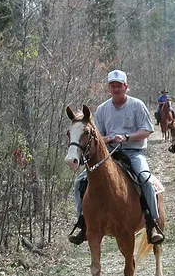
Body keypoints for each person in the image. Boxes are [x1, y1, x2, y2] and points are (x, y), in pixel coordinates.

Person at [69, 69, 165, 245]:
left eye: (119, 86)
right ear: (109, 88)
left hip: (133, 152)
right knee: (80, 182)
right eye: (112, 86)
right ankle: (82, 223)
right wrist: (106, 139)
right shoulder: (103, 109)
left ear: (125, 87)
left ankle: (152, 223)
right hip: (108, 154)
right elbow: (96, 136)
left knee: (145, 178)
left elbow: (147, 131)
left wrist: (126, 137)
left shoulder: (137, 105)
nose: (115, 89)